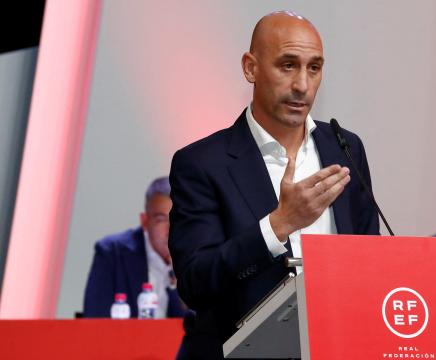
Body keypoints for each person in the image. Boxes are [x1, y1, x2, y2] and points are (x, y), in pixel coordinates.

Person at [169, 11, 380, 359]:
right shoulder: (203, 163)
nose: (302, 84)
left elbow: (367, 258)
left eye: (314, 68)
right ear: (251, 68)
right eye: (287, 65)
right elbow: (195, 283)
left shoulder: (344, 147)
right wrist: (278, 225)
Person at [83, 177, 187, 318]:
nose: (172, 229)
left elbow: (204, 331)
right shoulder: (112, 253)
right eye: (161, 220)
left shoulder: (202, 259)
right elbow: (95, 322)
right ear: (145, 221)